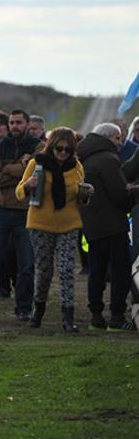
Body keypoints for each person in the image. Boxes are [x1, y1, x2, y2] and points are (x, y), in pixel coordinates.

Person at [14, 127, 86, 332]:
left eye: (67, 150)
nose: (63, 153)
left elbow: (81, 199)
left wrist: (85, 194)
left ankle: (68, 318)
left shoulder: (77, 166)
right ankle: (38, 310)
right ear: (50, 147)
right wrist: (28, 185)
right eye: (59, 148)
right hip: (40, 225)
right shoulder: (36, 163)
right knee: (44, 272)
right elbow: (19, 192)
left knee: (66, 271)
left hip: (69, 224)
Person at [0, 109, 41, 321]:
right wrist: (20, 169)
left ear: (27, 124)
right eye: (12, 122)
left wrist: (11, 170)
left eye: (18, 122)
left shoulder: (37, 146)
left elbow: (36, 173)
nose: (14, 126)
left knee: (26, 264)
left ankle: (23, 307)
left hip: (25, 211)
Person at [78, 123, 137, 331]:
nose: (120, 143)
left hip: (92, 224)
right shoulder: (109, 159)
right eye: (118, 138)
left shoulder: (83, 157)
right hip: (113, 224)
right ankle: (117, 316)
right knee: (120, 271)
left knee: (96, 271)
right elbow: (119, 195)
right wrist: (134, 193)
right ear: (109, 138)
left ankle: (96, 316)